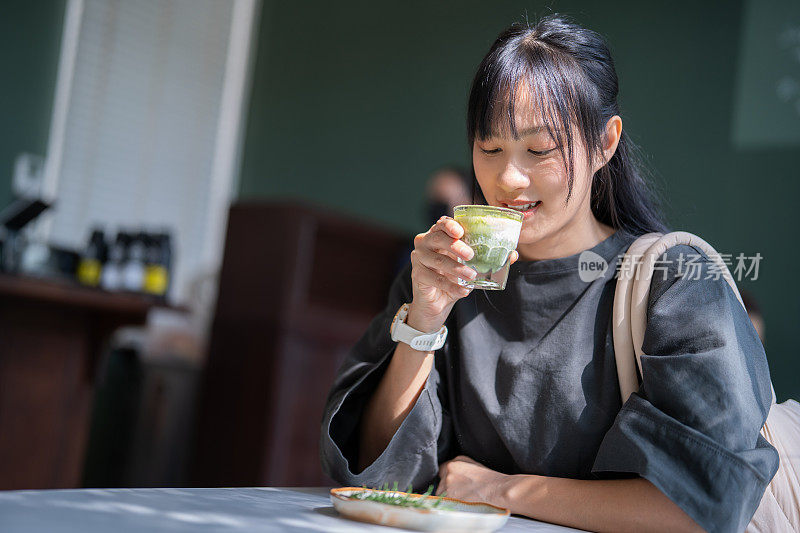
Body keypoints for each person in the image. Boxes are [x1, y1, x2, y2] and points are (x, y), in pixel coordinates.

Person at [319, 14, 777, 533]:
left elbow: (705, 506)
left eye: (540, 150)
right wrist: (423, 320)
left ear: (605, 143)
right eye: (489, 148)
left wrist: (500, 491)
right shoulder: (447, 279)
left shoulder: (677, 283)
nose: (508, 178)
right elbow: (379, 481)